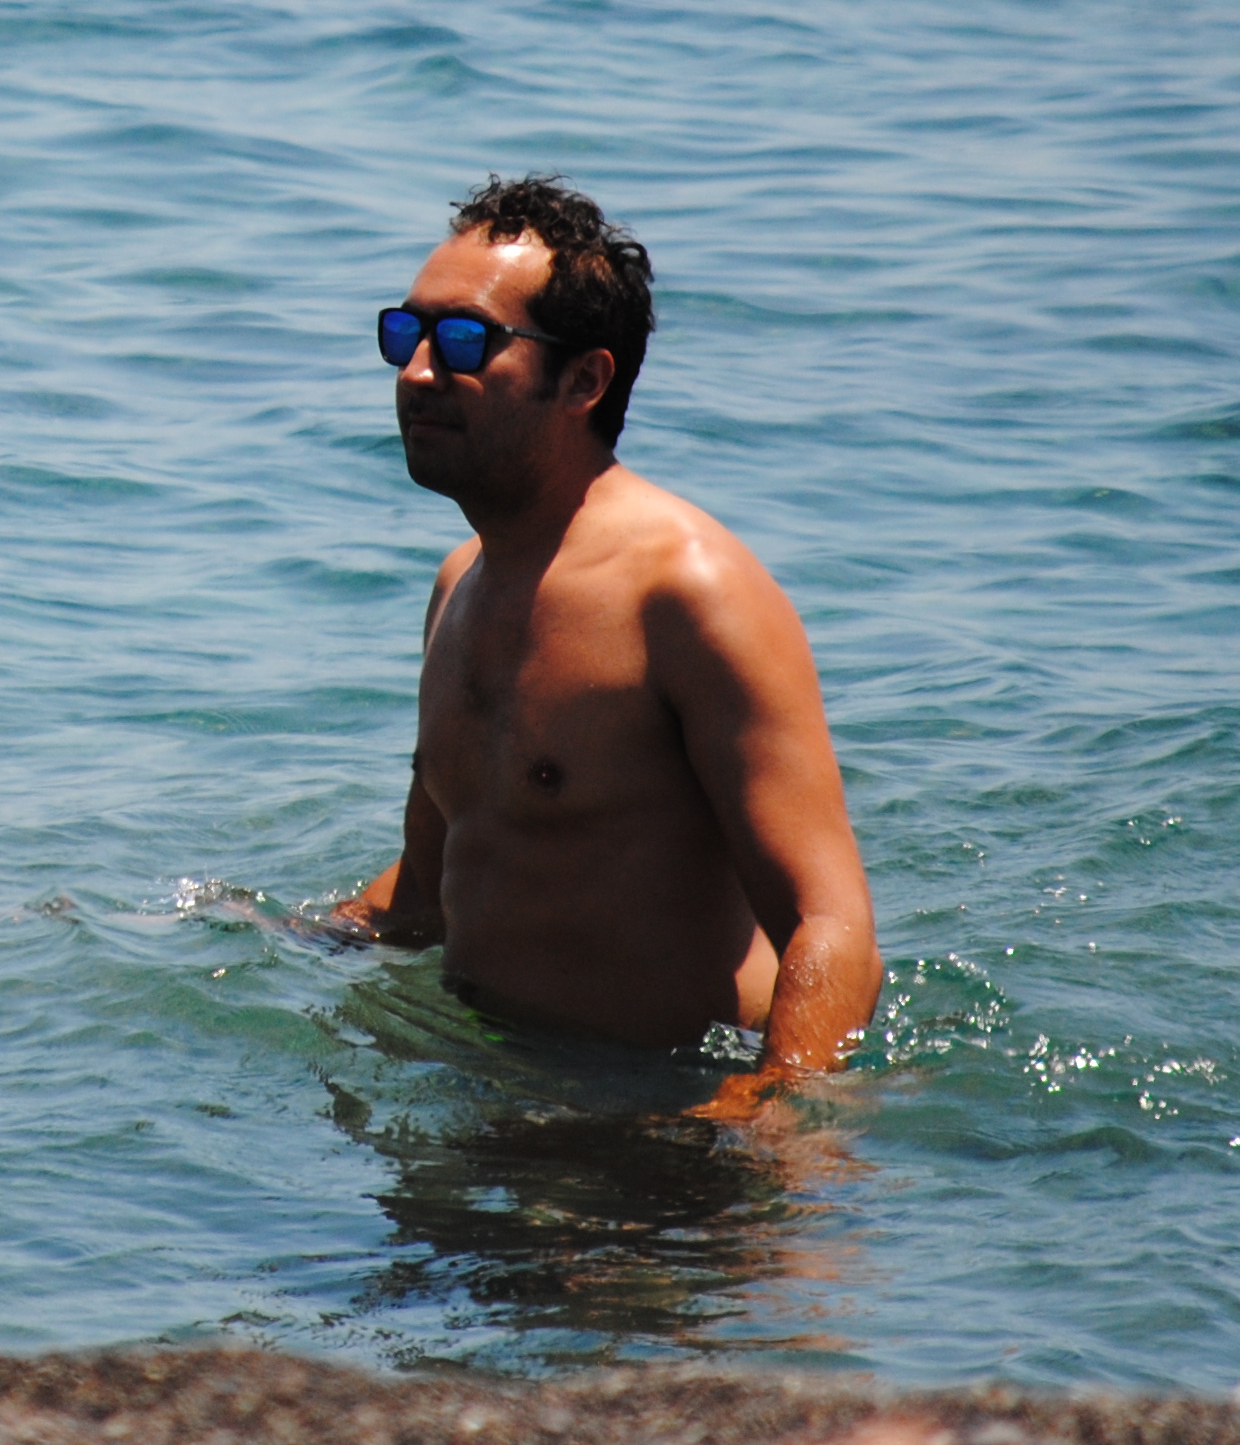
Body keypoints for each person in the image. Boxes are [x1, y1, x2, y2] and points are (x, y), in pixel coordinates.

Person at [338, 176, 881, 1114]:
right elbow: (434, 884)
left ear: (584, 380)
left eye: (465, 340)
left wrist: (774, 1118)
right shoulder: (460, 582)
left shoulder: (689, 595)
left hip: (657, 1115)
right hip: (491, 1088)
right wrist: (239, 931)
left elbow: (831, 927)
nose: (418, 371)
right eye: (406, 333)